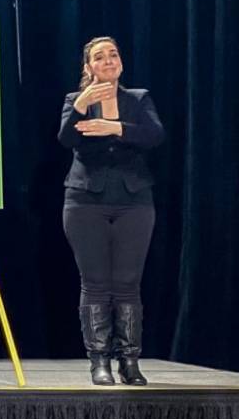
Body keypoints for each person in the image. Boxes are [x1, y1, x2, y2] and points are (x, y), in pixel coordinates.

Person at [58, 37, 164, 386]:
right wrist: (82, 107)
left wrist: (116, 128)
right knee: (95, 284)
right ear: (88, 67)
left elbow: (154, 135)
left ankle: (129, 362)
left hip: (133, 201)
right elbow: (67, 139)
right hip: (86, 202)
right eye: (99, 57)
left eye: (113, 54)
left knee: (127, 285)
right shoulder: (76, 100)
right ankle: (99, 361)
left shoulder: (138, 99)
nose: (108, 60)